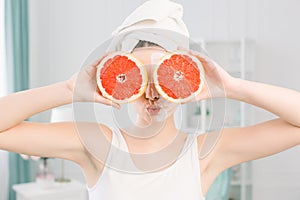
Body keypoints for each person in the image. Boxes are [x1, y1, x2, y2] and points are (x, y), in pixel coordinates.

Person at [1, 1, 300, 200]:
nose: (152, 92)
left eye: (163, 77)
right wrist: (68, 90)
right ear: (119, 84)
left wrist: (232, 87)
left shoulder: (204, 153)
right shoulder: (96, 144)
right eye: (138, 77)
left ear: (181, 84)